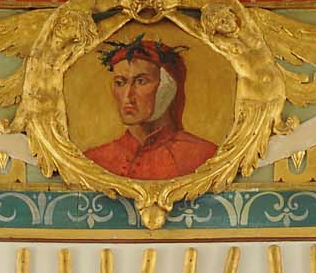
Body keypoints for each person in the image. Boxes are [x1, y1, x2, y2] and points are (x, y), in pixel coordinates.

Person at [84, 39, 218, 181]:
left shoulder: (207, 157)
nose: (127, 96)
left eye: (141, 81)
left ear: (167, 89)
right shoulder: (92, 161)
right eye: (120, 83)